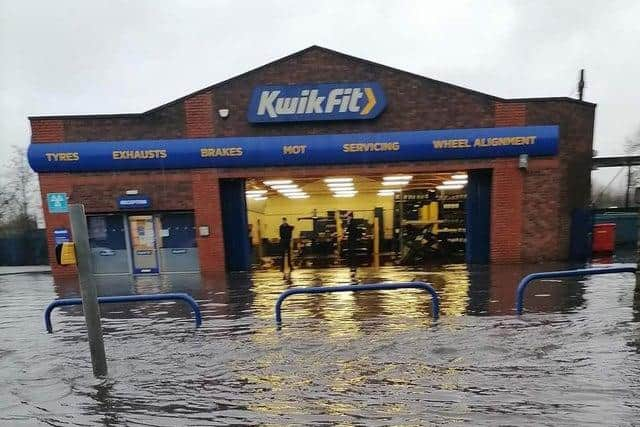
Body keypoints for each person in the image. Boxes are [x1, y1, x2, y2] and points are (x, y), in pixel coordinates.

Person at [345, 211, 359, 282]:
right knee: (351, 253)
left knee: (352, 253)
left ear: (350, 217)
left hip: (352, 241)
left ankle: (353, 265)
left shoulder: (352, 223)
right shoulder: (351, 223)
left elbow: (349, 231)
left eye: (347, 217)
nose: (347, 218)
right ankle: (352, 265)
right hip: (352, 241)